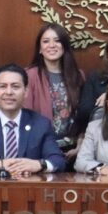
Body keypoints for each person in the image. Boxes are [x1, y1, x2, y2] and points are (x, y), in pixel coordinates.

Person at [0, 65, 65, 176]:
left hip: (28, 184)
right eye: (3, 86)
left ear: (26, 92)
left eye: (15, 87)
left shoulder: (41, 124)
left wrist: (39, 164)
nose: (9, 92)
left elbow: (58, 160)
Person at [23, 23, 85, 164]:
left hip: (73, 152)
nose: (52, 45)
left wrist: (80, 145)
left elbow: (84, 116)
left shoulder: (78, 75)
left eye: (57, 41)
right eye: (46, 41)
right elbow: (26, 117)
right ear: (40, 48)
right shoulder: (29, 75)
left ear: (64, 46)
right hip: (41, 150)